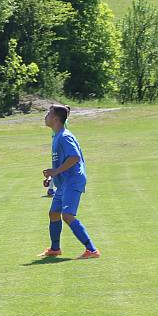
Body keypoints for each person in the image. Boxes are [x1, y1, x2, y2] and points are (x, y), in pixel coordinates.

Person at [39, 104, 100, 259]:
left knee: (67, 215)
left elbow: (74, 157)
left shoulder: (64, 136)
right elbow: (62, 161)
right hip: (63, 183)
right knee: (54, 213)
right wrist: (52, 176)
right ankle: (55, 249)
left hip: (73, 181)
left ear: (55, 118)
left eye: (48, 113)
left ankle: (92, 250)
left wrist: (56, 171)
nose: (45, 116)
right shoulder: (57, 135)